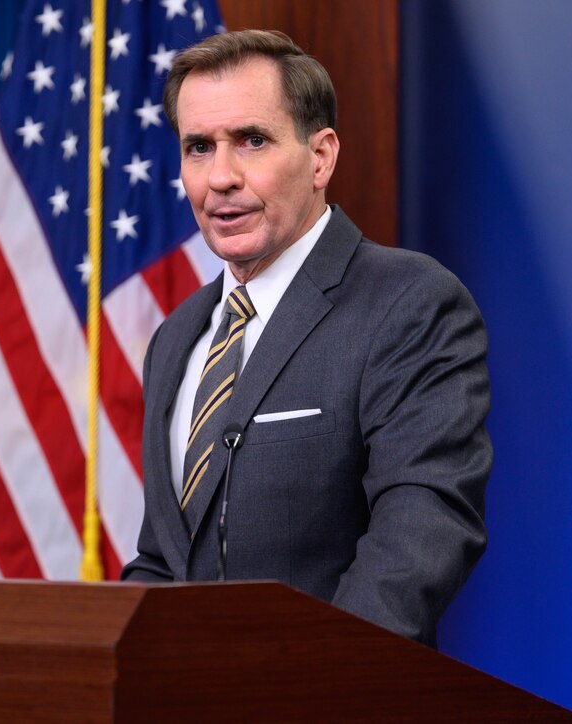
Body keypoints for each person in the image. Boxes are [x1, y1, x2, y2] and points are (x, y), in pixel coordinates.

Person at [120, 29, 491, 647]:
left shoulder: (408, 302)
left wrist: (316, 686)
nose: (221, 177)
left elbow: (422, 526)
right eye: (198, 147)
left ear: (321, 157)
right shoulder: (176, 337)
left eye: (252, 141)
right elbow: (165, 561)